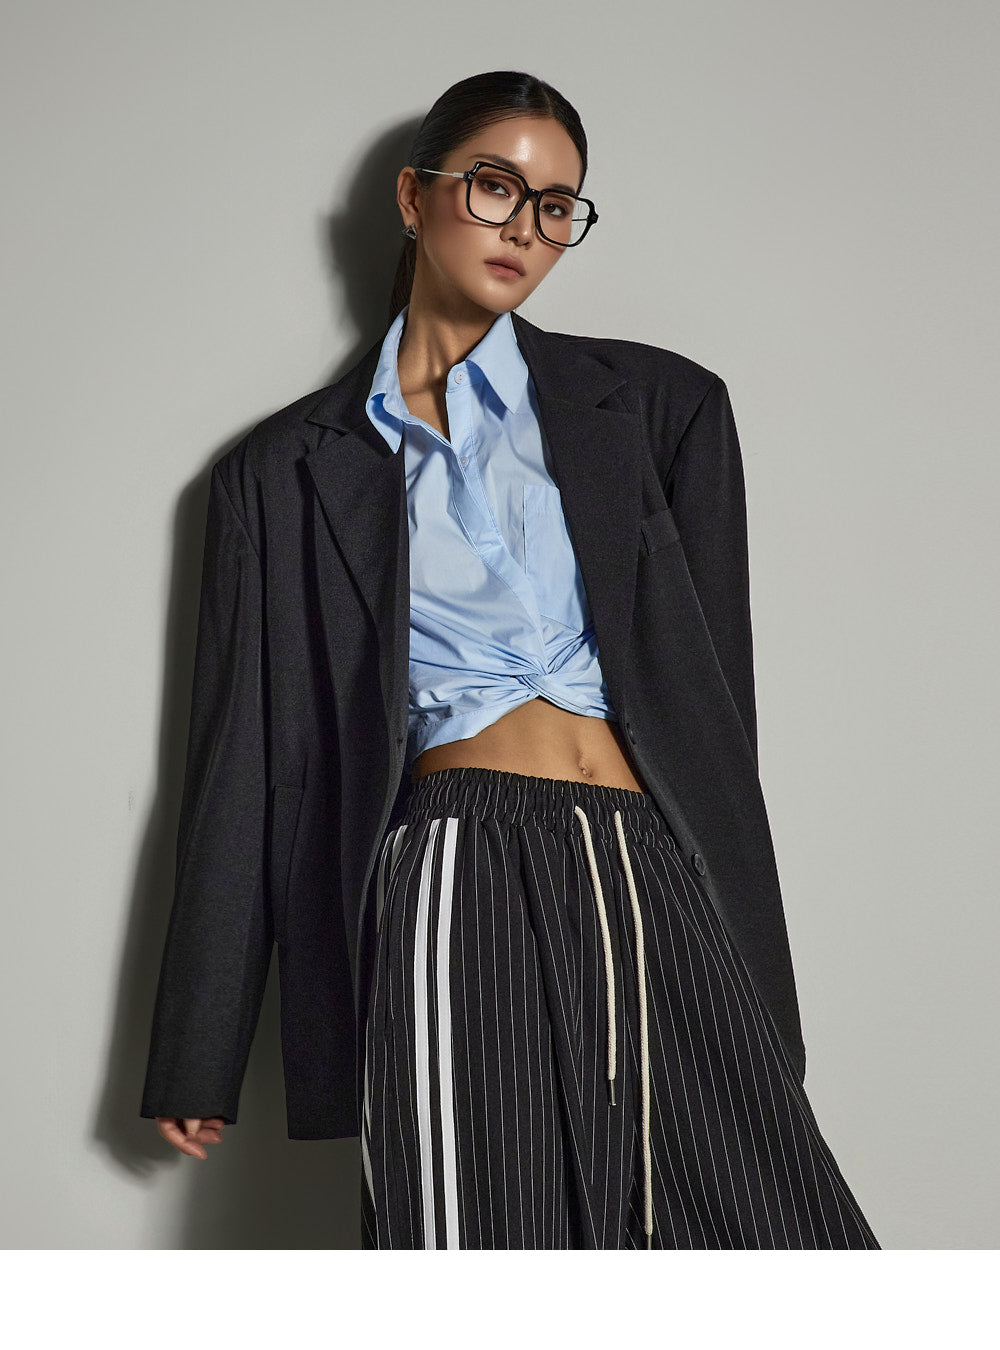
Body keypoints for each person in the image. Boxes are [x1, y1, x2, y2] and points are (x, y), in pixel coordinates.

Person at [140, 69, 880, 1250]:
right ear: (413, 197)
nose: (526, 229)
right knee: (484, 1249)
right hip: (449, 866)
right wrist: (200, 1045)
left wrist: (744, 938)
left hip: (646, 859)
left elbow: (714, 711)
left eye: (555, 206)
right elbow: (246, 765)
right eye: (495, 187)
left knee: (777, 1246)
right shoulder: (281, 474)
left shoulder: (660, 408)